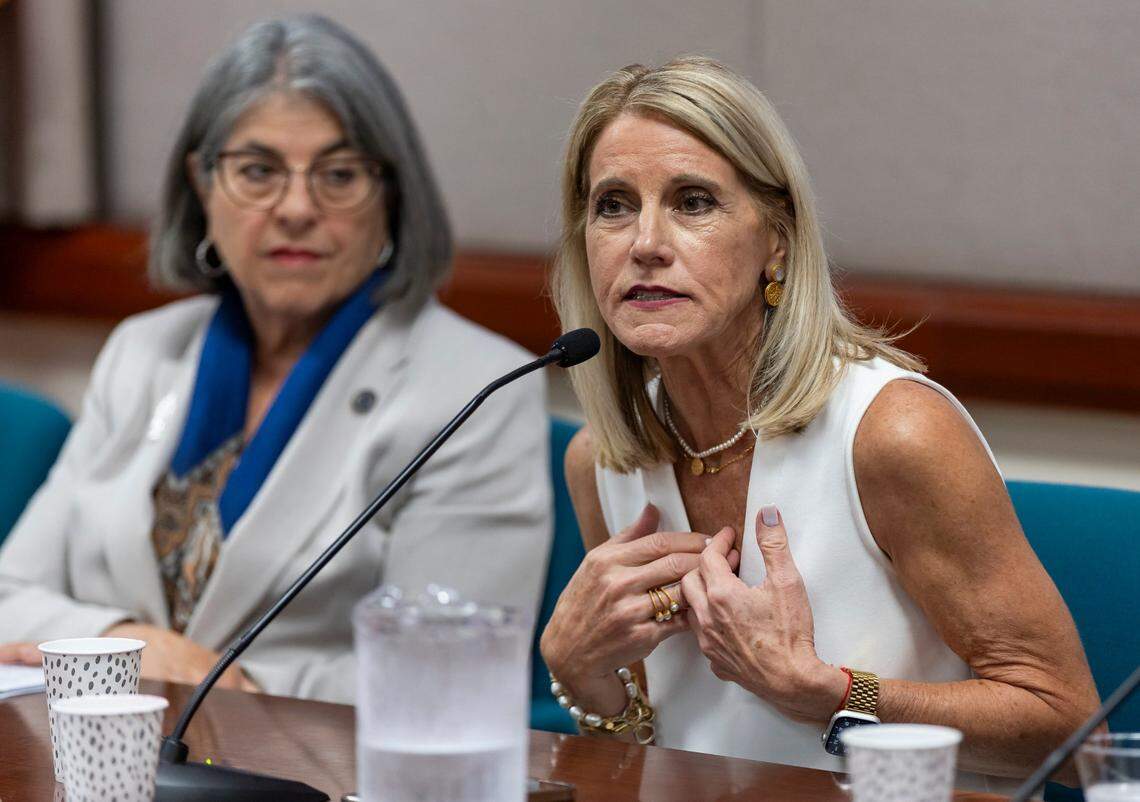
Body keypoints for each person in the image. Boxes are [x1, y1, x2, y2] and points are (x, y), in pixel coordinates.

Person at [539, 56, 1097, 792]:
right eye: (613, 204)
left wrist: (831, 694)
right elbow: (648, 748)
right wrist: (583, 673)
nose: (644, 241)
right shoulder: (601, 461)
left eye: (694, 201)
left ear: (778, 238)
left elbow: (1071, 734)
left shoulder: (894, 434)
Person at [0, 15, 552, 705]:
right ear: (203, 188)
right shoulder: (144, 352)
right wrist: (137, 644)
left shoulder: (475, 392)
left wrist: (221, 685)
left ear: (391, 195)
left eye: (339, 174)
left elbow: (445, 681)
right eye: (258, 171)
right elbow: (8, 596)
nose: (296, 208)